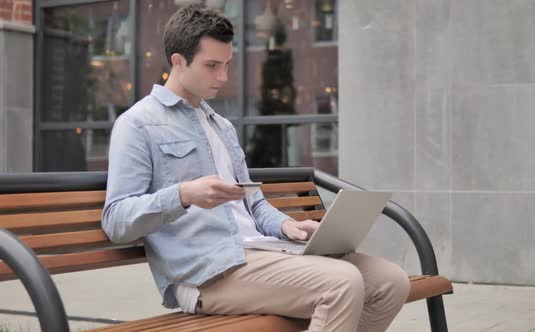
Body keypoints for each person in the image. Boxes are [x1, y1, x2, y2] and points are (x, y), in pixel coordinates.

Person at [101, 4, 410, 332]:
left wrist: (288, 226)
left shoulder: (220, 126)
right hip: (206, 273)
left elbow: (253, 206)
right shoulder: (137, 124)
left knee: (391, 282)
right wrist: (183, 194)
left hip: (260, 252)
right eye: (212, 66)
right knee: (343, 283)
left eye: (227, 65)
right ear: (178, 61)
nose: (223, 77)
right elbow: (116, 221)